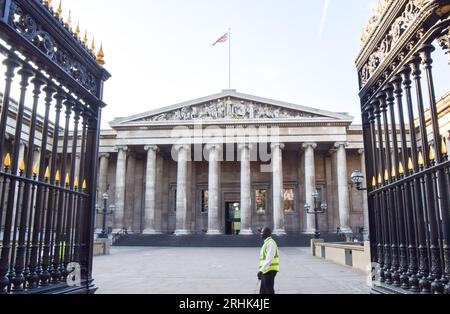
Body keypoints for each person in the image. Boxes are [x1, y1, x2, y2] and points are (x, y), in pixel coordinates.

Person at [257, 227, 279, 294]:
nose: (261, 234)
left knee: (269, 291)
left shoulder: (270, 243)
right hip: (266, 271)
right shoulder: (267, 242)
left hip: (270, 271)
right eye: (261, 232)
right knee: (263, 291)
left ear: (268, 234)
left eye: (262, 232)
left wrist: (261, 270)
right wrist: (261, 230)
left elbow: (269, 259)